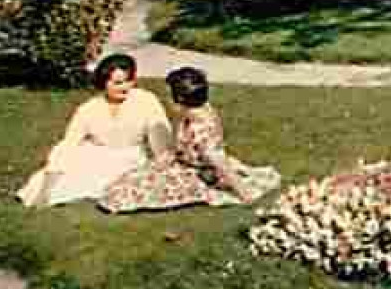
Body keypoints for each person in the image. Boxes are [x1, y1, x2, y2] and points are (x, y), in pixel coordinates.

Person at [99, 66, 281, 213]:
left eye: (170, 95)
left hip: (197, 174)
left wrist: (243, 193)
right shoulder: (198, 110)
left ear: (179, 99)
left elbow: (218, 161)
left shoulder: (200, 129)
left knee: (134, 191)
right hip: (181, 163)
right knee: (133, 178)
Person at [16, 53, 172, 207]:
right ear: (104, 83)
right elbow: (69, 143)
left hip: (129, 157)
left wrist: (163, 165)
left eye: (129, 81)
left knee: (100, 182)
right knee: (58, 177)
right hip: (95, 154)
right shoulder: (89, 108)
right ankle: (46, 193)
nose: (125, 87)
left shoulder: (146, 100)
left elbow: (159, 135)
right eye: (118, 83)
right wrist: (49, 181)